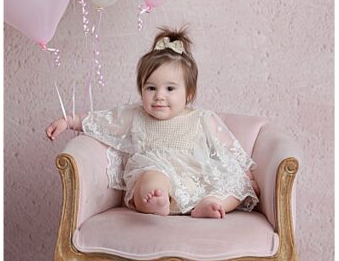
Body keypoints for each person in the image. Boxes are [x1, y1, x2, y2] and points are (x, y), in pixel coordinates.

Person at [45, 26, 258, 219]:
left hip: (195, 182)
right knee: (150, 178)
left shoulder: (202, 118)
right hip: (157, 171)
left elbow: (229, 148)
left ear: (189, 93)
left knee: (238, 185)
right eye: (151, 88)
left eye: (170, 89)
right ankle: (156, 201)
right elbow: (104, 120)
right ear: (141, 89)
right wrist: (69, 121)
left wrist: (246, 174)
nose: (159, 96)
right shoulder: (135, 115)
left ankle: (211, 205)